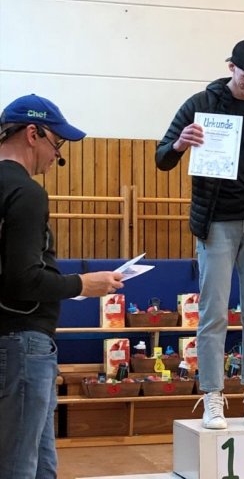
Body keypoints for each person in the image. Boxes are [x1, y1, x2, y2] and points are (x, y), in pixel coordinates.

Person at [155, 39, 244, 429]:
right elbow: (162, 157)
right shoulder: (201, 104)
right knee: (213, 312)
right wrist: (180, 143)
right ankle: (213, 395)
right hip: (216, 223)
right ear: (231, 67)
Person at [0, 94, 124, 479]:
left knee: (40, 463)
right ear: (32, 134)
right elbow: (22, 279)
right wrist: (82, 284)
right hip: (23, 342)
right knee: (19, 465)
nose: (57, 155)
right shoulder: (26, 192)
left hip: (14, 342)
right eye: (57, 143)